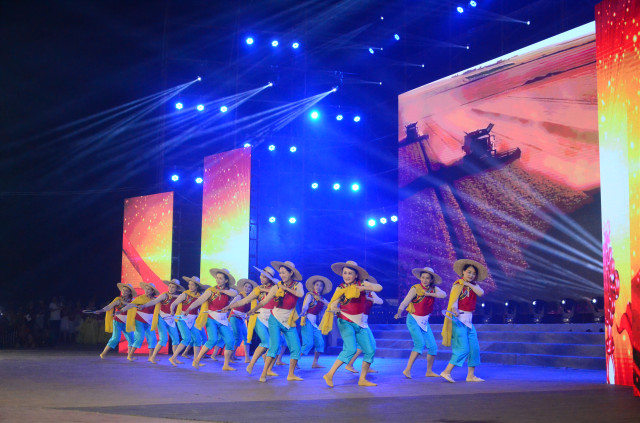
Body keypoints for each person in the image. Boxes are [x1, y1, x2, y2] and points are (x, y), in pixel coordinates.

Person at [321, 261, 383, 387]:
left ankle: (362, 379)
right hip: (345, 320)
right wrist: (335, 308)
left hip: (360, 323)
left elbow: (379, 288)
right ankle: (329, 374)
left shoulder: (362, 284)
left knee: (370, 350)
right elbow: (333, 303)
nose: (347, 276)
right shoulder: (340, 288)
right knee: (350, 349)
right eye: (345, 273)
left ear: (356, 275)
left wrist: (365, 288)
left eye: (350, 273)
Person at [248, 260, 304, 382]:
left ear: (291, 273)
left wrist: (285, 288)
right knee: (274, 347)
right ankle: (263, 373)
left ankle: (291, 374)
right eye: (280, 273)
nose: (281, 275)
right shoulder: (277, 286)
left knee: (296, 348)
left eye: (284, 272)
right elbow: (265, 301)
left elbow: (300, 294)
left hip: (289, 321)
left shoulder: (297, 285)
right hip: (275, 319)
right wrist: (254, 309)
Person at [222, 266, 279, 375]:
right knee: (265, 342)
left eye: (264, 277)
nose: (261, 278)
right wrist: (229, 307)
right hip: (259, 317)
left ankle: (269, 369)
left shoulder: (276, 288)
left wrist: (264, 290)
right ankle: (251, 364)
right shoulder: (257, 289)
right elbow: (244, 301)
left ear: (270, 279)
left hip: (273, 318)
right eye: (261, 276)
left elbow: (277, 293)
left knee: (276, 345)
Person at [394, 266, 446, 378]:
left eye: (427, 278)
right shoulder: (415, 288)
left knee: (433, 347)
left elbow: (443, 294)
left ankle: (429, 371)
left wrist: (429, 294)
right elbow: (405, 302)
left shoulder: (434, 289)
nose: (425, 280)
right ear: (420, 278)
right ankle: (407, 370)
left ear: (431, 280)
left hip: (424, 321)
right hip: (413, 319)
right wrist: (399, 312)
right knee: (420, 344)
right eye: (423, 277)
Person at [440, 259, 487, 383]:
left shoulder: (474, 286)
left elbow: (481, 292)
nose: (471, 275)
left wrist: (468, 284)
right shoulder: (457, 285)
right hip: (458, 321)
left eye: (473, 273)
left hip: (469, 322)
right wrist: (454, 309)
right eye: (469, 272)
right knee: (463, 349)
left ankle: (470, 376)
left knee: (474, 349)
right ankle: (446, 372)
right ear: (463, 272)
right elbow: (453, 302)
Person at [187, 268, 238, 370]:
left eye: (221, 278)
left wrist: (222, 291)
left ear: (226, 280)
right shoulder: (211, 291)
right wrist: (189, 308)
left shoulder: (230, 291)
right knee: (213, 340)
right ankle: (197, 360)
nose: (218, 280)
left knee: (230, 341)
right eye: (217, 278)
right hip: (211, 318)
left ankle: (226, 365)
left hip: (222, 319)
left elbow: (235, 294)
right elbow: (199, 301)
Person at [132, 279, 185, 363]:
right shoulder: (164, 295)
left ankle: (174, 358)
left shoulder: (179, 296)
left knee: (176, 339)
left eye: (173, 287)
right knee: (163, 339)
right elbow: (154, 301)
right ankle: (152, 357)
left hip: (171, 319)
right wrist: (144, 305)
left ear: (177, 289)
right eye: (170, 286)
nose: (171, 288)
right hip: (162, 319)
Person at [344, 276, 384, 373]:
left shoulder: (371, 293)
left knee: (370, 344)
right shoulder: (356, 291)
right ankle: (350, 364)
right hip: (356, 321)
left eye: (368, 284)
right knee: (363, 345)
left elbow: (380, 301)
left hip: (364, 322)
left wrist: (368, 298)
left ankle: (365, 365)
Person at [168, 276, 206, 366]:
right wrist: (172, 311)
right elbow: (174, 304)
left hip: (193, 319)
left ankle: (196, 361)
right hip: (182, 318)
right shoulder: (185, 294)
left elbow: (201, 308)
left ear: (197, 286)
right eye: (189, 284)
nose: (190, 286)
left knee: (197, 339)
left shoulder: (200, 296)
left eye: (192, 285)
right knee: (187, 338)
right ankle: (173, 357)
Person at [94, 283, 136, 359]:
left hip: (127, 323)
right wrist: (100, 310)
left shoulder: (132, 301)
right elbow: (109, 306)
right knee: (115, 338)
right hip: (117, 321)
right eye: (123, 290)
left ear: (130, 292)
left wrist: (124, 303)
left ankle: (129, 356)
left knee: (131, 339)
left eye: (126, 291)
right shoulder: (118, 299)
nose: (124, 292)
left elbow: (133, 306)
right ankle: (103, 353)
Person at [121, 282, 160, 362]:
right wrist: (121, 310)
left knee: (152, 339)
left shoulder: (155, 300)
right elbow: (131, 305)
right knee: (139, 338)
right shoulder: (140, 298)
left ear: (152, 291)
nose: (147, 291)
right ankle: (130, 355)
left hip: (149, 322)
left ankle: (150, 357)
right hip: (139, 321)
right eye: (146, 289)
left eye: (149, 289)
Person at [300, 275, 332, 368]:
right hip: (306, 320)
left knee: (320, 343)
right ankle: (295, 361)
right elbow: (305, 305)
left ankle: (315, 363)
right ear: (314, 286)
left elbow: (330, 305)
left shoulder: (321, 298)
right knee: (308, 343)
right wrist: (303, 311)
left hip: (314, 323)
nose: (319, 287)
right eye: (317, 285)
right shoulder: (310, 295)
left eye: (321, 285)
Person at [229, 278, 258, 363]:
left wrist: (248, 315)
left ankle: (247, 358)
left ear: (251, 289)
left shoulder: (252, 299)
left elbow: (251, 310)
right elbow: (231, 305)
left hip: (241, 319)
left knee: (247, 337)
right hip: (234, 317)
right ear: (243, 287)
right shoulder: (239, 296)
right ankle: (230, 356)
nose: (247, 288)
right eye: (246, 286)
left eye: (249, 287)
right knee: (238, 337)